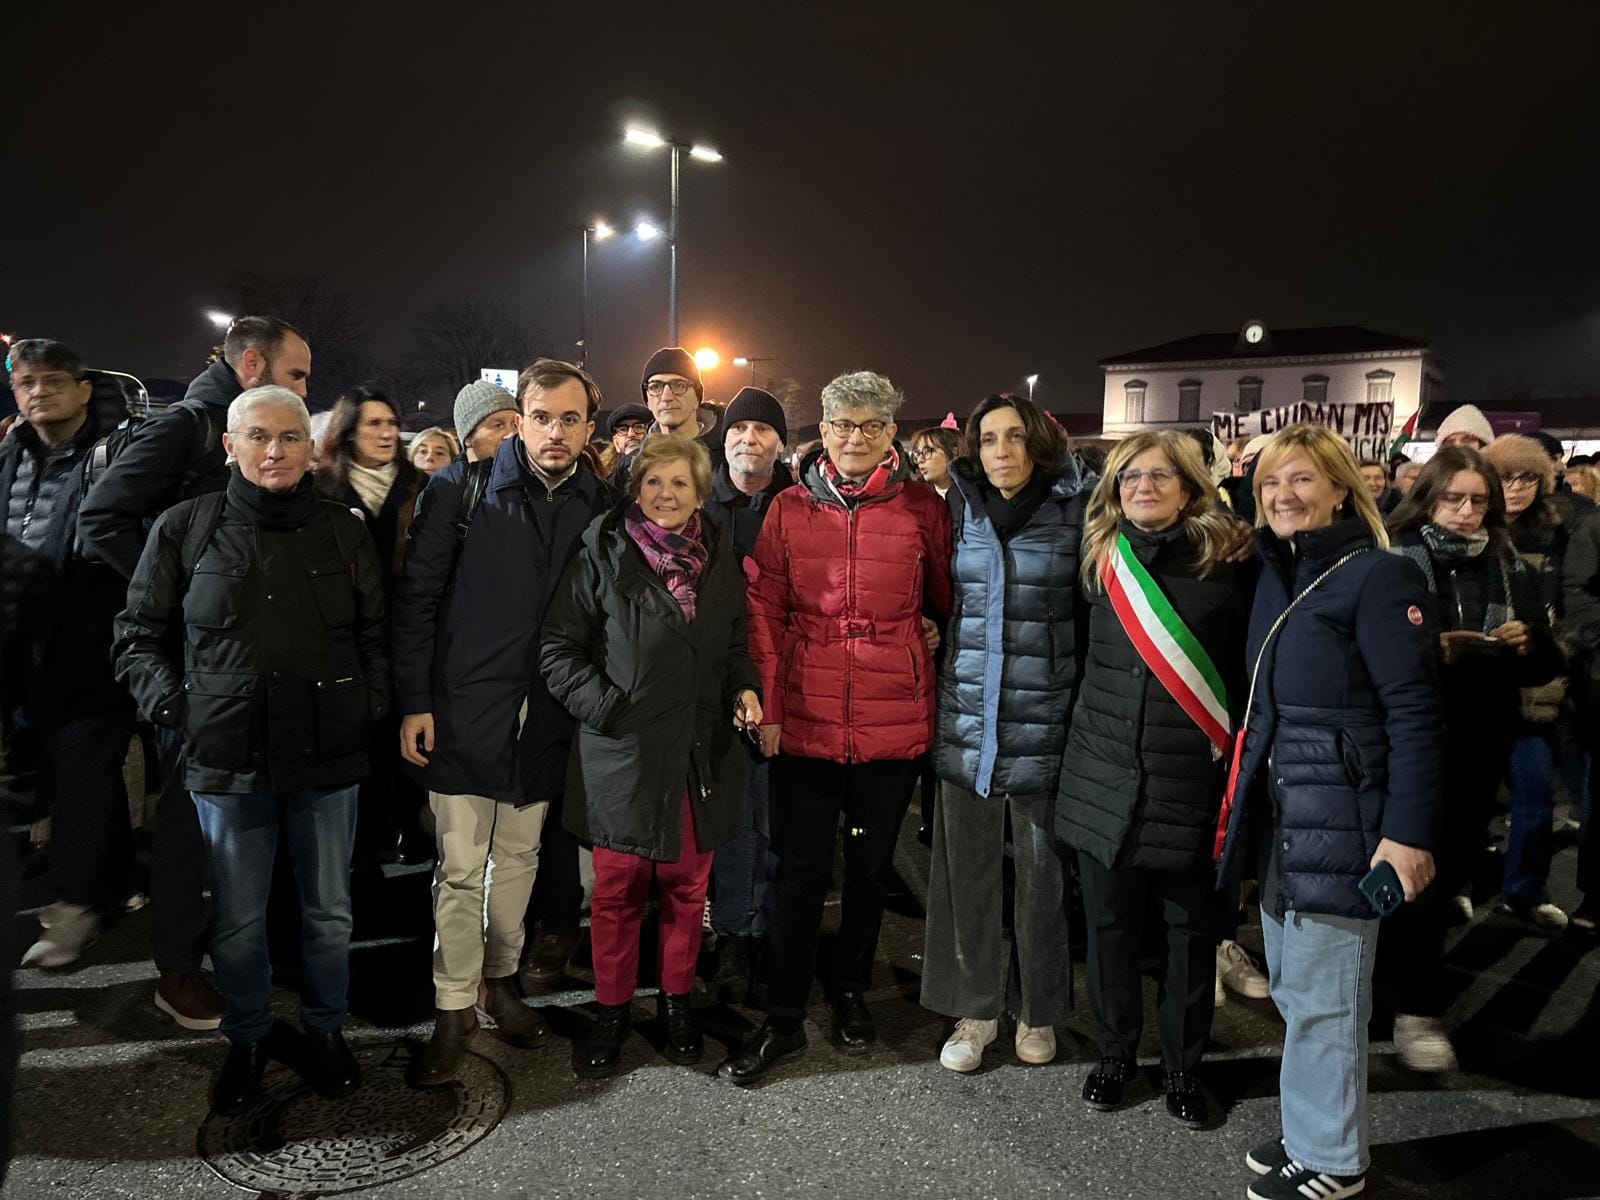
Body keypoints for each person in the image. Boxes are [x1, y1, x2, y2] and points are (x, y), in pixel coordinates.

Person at [112, 385, 387, 1114]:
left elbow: (375, 637)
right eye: (258, 436)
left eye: (290, 437)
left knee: (328, 913)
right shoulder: (184, 527)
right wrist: (176, 708)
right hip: (227, 761)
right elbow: (136, 635)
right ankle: (249, 1038)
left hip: (328, 757)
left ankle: (327, 1031)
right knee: (236, 920)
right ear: (230, 445)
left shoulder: (344, 531)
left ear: (309, 448)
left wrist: (368, 708)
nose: (274, 450)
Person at [1215, 424, 1441, 1200]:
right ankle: (1315, 1125)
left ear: (1343, 487)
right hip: (1287, 813)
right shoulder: (1286, 572)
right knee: (1297, 987)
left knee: (1328, 995)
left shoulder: (1379, 576)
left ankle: (1335, 1161)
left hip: (1343, 818)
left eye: (1304, 480)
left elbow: (1415, 713)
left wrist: (1405, 835)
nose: (1285, 495)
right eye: (1272, 482)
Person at [716, 370, 953, 1086]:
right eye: (842, 425)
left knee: (872, 871)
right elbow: (765, 612)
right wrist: (772, 711)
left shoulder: (920, 509)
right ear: (822, 431)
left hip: (891, 715)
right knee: (799, 872)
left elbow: (945, 596)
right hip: (808, 715)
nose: (854, 438)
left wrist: (928, 637)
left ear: (890, 434)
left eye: (870, 426)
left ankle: (850, 989)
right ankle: (784, 1017)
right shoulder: (788, 509)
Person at [79, 317, 311, 1031]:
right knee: (187, 819)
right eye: (297, 373)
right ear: (251, 364)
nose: (306, 387)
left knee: (242, 814)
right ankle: (176, 971)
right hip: (191, 660)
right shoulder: (185, 429)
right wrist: (181, 588)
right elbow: (101, 519)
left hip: (241, 658)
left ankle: (234, 947)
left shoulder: (243, 431)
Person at [393, 358, 613, 1086]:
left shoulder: (599, 502)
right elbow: (417, 601)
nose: (555, 432)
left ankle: (501, 981)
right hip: (463, 707)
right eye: (542, 416)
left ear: (588, 425)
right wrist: (416, 701)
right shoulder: (462, 488)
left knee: (517, 859)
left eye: (570, 418)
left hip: (545, 714)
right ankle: (452, 1007)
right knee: (459, 867)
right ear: (520, 417)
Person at [541, 434, 762, 1076]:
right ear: (636, 488)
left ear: (700, 493)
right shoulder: (603, 552)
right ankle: (611, 1009)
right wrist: (611, 711)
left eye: (680, 484)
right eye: (653, 482)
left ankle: (675, 1002)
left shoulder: (717, 554)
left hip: (700, 751)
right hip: (623, 753)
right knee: (615, 892)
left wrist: (744, 686)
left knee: (686, 890)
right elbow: (558, 648)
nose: (666, 495)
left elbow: (735, 643)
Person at [1056, 431, 1250, 1127]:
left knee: (1189, 938)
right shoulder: (1100, 558)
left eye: (1161, 476)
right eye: (1131, 476)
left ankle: (1182, 1068)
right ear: (1113, 488)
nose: (1144, 487)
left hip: (1188, 781)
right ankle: (1114, 1055)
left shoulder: (1230, 562)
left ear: (1192, 486)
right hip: (1102, 774)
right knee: (1107, 928)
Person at [920, 395, 1091, 1074]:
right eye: (989, 439)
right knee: (966, 875)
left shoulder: (1075, 511)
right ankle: (976, 1009)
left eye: (1015, 437)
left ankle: (1039, 1009)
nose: (1001, 451)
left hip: (1046, 721)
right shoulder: (959, 510)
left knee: (1044, 879)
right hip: (967, 719)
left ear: (1039, 445)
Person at [1380, 446, 1561, 1071]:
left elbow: (1546, 664)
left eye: (1478, 501)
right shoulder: (1394, 557)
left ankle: (1415, 1007)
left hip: (1478, 743)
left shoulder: (1511, 566)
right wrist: (1429, 648)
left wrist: (1527, 642)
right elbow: (1368, 649)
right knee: (1395, 873)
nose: (1466, 512)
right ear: (1427, 497)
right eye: (1453, 498)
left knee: (1442, 876)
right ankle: (1381, 991)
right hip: (1405, 740)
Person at [3, 341, 141, 969]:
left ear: (85, 388)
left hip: (96, 640)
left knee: (83, 768)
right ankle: (116, 882)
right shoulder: (13, 452)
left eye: (53, 381)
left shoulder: (115, 453)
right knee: (75, 768)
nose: (38, 393)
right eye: (26, 383)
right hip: (28, 642)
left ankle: (72, 906)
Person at [702, 388, 793, 1006]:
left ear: (781, 443)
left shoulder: (802, 504)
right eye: (738, 429)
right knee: (732, 820)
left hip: (788, 681)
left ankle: (772, 936)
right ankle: (733, 932)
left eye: (762, 429)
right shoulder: (700, 503)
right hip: (717, 684)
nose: (748, 439)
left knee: (780, 818)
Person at [316, 385, 428, 864]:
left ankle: (412, 836)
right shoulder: (325, 490)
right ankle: (363, 847)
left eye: (391, 423)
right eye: (373, 424)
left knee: (407, 749)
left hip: (405, 638)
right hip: (348, 644)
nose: (386, 433)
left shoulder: (420, 487)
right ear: (348, 432)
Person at [1483, 434, 1577, 929]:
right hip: (1479, 685)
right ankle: (1457, 883)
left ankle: (1523, 890)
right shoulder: (1472, 528)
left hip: (1536, 686)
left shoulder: (1560, 534)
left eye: (1528, 477)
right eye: (1505, 476)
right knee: (1468, 800)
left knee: (1535, 798)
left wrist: (1551, 642)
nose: (1516, 487)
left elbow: (1566, 604)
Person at [453, 379, 520, 463]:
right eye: (498, 425)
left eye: (515, 425)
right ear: (468, 438)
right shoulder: (446, 476)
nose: (512, 434)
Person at [599, 403, 651, 479]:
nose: (631, 434)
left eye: (639, 427)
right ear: (616, 443)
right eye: (623, 429)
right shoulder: (606, 483)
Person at [908, 425, 961, 497]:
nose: (919, 460)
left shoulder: (973, 494)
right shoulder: (916, 498)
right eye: (917, 454)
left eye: (927, 451)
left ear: (954, 453)